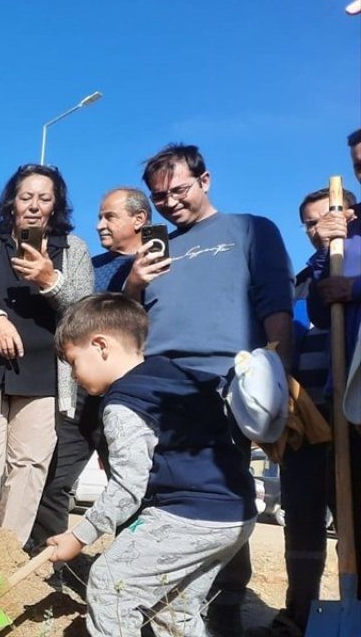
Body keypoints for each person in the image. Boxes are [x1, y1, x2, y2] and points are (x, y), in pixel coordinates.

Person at [125, 143, 293, 635]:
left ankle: (223, 605)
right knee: (155, 491)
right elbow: (127, 321)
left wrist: (278, 374)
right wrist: (134, 283)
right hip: (156, 383)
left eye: (179, 189)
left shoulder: (250, 229)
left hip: (223, 382)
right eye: (159, 197)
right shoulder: (155, 251)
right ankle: (154, 594)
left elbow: (274, 300)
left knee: (222, 493)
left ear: (205, 180)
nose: (170, 202)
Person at [46, 293, 257, 637]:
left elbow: (127, 489)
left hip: (187, 516)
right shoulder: (175, 377)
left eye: (73, 361)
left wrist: (78, 537)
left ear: (101, 345)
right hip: (235, 512)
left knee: (108, 582)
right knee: (174, 608)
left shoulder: (124, 405)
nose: (73, 375)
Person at [0, 164, 94, 545]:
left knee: (29, 467)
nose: (33, 206)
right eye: (26, 197)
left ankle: (4, 557)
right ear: (11, 202)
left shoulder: (73, 250)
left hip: (44, 377)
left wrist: (50, 280)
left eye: (44, 198)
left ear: (56, 205)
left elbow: (85, 312)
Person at [252, 186, 360, 637]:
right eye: (310, 223)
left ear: (351, 215)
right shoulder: (299, 284)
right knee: (301, 518)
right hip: (305, 421)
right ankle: (299, 610)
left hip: (350, 416)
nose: (318, 229)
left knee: (354, 521)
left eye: (326, 218)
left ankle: (352, 606)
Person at [28, 187, 151, 549]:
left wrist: (137, 285)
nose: (99, 225)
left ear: (139, 219)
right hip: (82, 393)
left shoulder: (164, 267)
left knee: (131, 482)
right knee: (56, 477)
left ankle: (130, 566)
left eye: (109, 216)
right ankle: (46, 561)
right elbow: (76, 321)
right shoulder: (91, 269)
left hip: (134, 394)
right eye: (99, 216)